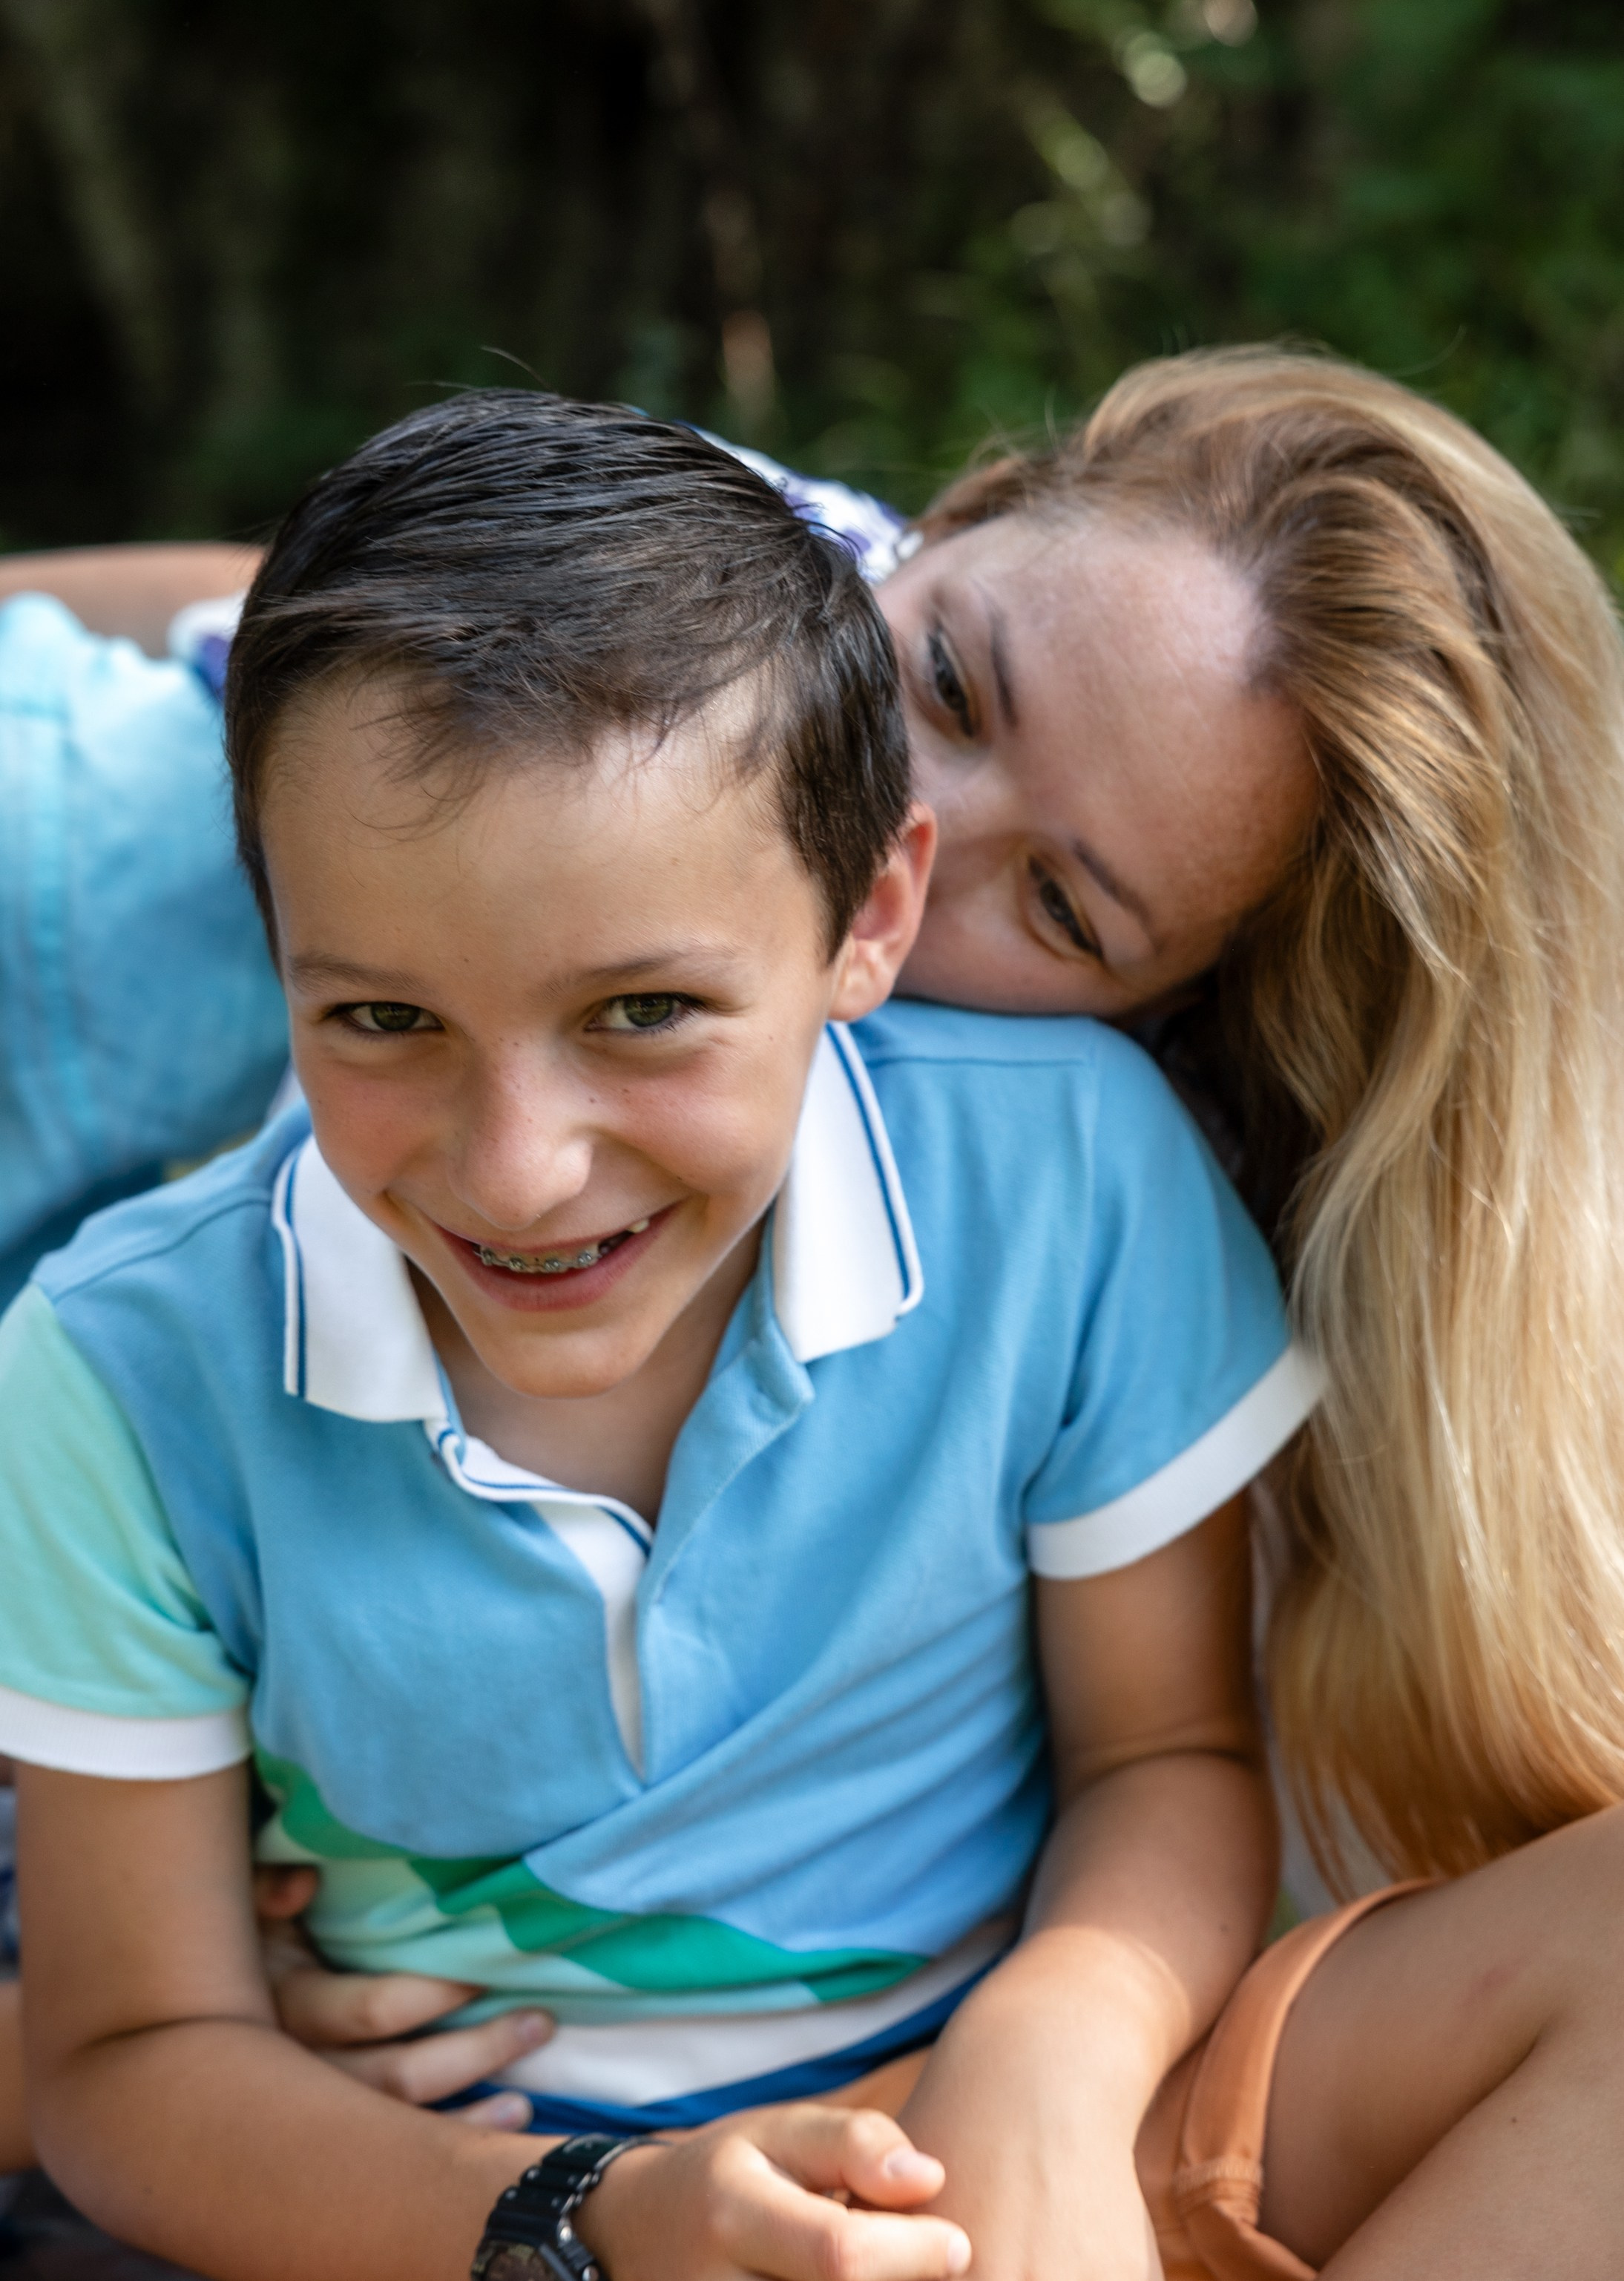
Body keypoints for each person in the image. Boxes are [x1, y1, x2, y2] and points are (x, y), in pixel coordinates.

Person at [10, 344, 1624, 2274]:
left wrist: (1051, 2051)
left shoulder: (1074, 1157)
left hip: (1003, 2097)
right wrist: (556, 2216)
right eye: (945, 682)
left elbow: (1166, 1755)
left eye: (1068, 908)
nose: (521, 1163)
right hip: (477, 2181)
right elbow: (128, 2053)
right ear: (924, 536)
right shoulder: (551, 659)